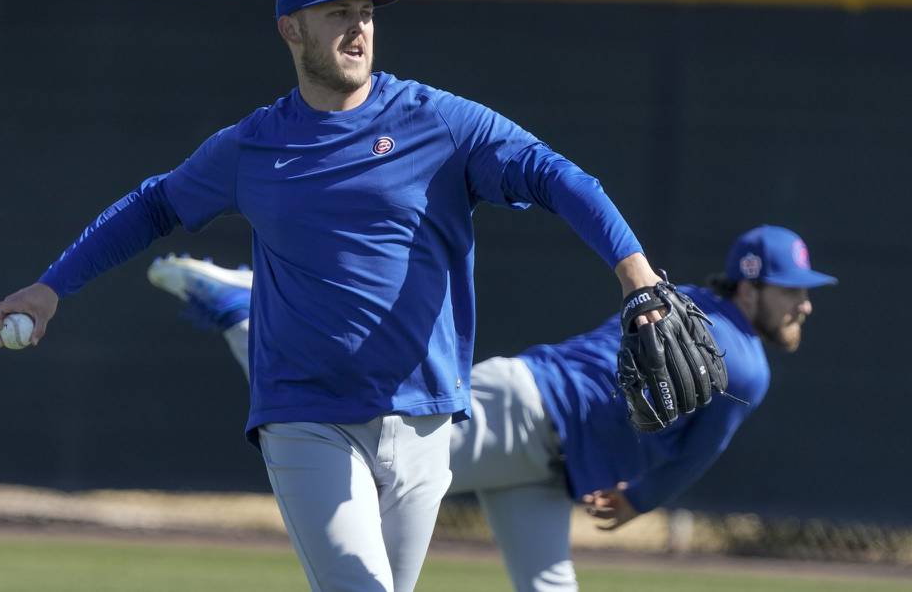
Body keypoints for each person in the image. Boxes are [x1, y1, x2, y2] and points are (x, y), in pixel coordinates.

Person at [0, 0, 675, 592]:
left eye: (367, 13)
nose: (358, 28)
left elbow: (556, 176)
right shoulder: (254, 145)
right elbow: (155, 204)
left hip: (426, 415)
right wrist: (52, 286)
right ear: (291, 28)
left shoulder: (438, 123)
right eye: (337, 13)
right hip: (307, 414)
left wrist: (636, 273)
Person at [147, 224, 837, 592]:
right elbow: (699, 450)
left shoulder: (689, 299)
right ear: (750, 288)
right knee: (351, 422)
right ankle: (247, 310)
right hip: (528, 414)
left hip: (547, 458)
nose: (803, 301)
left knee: (548, 584)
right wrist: (638, 501)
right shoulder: (746, 360)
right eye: (789, 289)